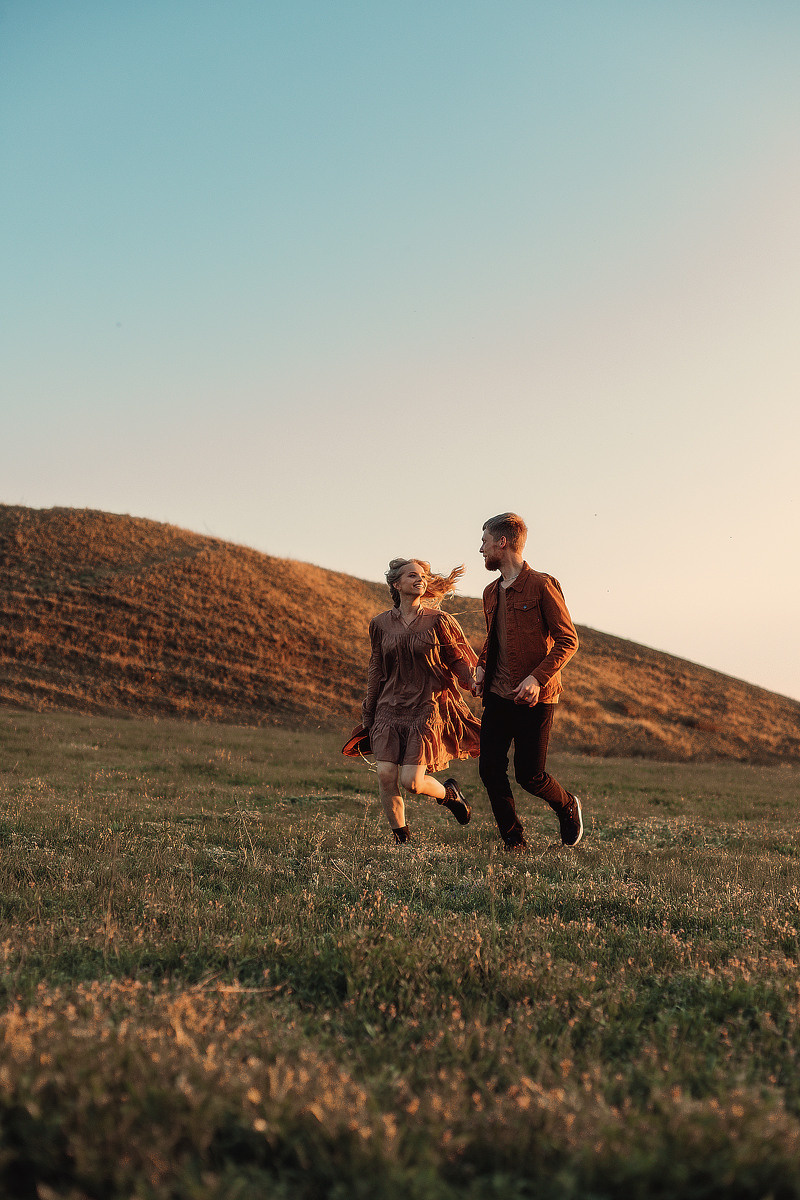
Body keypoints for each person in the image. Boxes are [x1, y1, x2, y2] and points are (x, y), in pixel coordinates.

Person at [474, 513, 583, 852]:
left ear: (501, 543)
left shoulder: (542, 584)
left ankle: (566, 805)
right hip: (497, 694)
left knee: (529, 775)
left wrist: (537, 678)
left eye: (484, 541)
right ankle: (514, 841)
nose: (481, 549)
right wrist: (480, 667)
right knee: (490, 769)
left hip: (536, 697)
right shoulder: (490, 592)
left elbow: (568, 640)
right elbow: (493, 640)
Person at [352, 558, 481, 845]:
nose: (420, 579)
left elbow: (457, 659)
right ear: (396, 584)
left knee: (412, 782)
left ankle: (449, 795)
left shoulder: (439, 621)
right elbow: (377, 667)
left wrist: (471, 680)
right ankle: (402, 839)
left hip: (426, 707)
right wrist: (369, 708)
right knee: (386, 774)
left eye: (422, 576)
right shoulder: (380, 624)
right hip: (389, 707)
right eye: (412, 576)